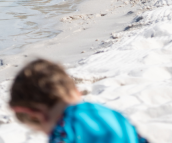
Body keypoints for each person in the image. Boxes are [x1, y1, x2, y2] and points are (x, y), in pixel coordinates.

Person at [10, 58, 148, 143]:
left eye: (40, 130)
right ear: (77, 91)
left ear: (35, 114)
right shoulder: (109, 113)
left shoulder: (64, 129)